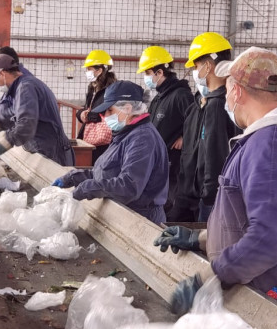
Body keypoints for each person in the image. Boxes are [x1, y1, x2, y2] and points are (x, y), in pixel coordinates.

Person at [155, 47, 277, 324]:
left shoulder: (270, 146)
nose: (225, 94)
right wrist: (200, 239)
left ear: (237, 92)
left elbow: (269, 238)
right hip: (267, 284)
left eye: (228, 85)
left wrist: (211, 278)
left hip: (270, 293)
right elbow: (249, 220)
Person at [52, 81, 169, 224]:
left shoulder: (142, 139)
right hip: (125, 213)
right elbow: (106, 171)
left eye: (110, 111)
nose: (105, 116)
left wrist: (88, 188)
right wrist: (73, 177)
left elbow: (129, 186)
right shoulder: (125, 133)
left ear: (127, 108)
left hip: (140, 218)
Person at [169, 32, 240, 222]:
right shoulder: (201, 103)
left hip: (208, 199)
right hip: (192, 195)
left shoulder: (218, 105)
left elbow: (215, 153)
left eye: (196, 65)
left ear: (208, 66)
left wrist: (209, 195)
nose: (194, 71)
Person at [0, 54, 75, 165]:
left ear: (1, 74)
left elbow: (26, 125)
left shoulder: (26, 87)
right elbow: (6, 116)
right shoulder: (16, 88)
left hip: (53, 153)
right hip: (43, 150)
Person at [137, 46, 193, 213]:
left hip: (174, 165)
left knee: (168, 204)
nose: (146, 78)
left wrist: (184, 136)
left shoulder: (181, 95)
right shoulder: (160, 97)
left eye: (147, 73)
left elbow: (195, 122)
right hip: (158, 162)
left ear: (159, 72)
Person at [76, 50, 117, 163]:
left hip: (105, 143)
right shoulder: (92, 88)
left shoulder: (111, 89)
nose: (87, 72)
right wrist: (81, 114)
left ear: (99, 70)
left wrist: (90, 116)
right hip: (91, 139)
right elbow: (87, 108)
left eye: (89, 69)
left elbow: (109, 112)